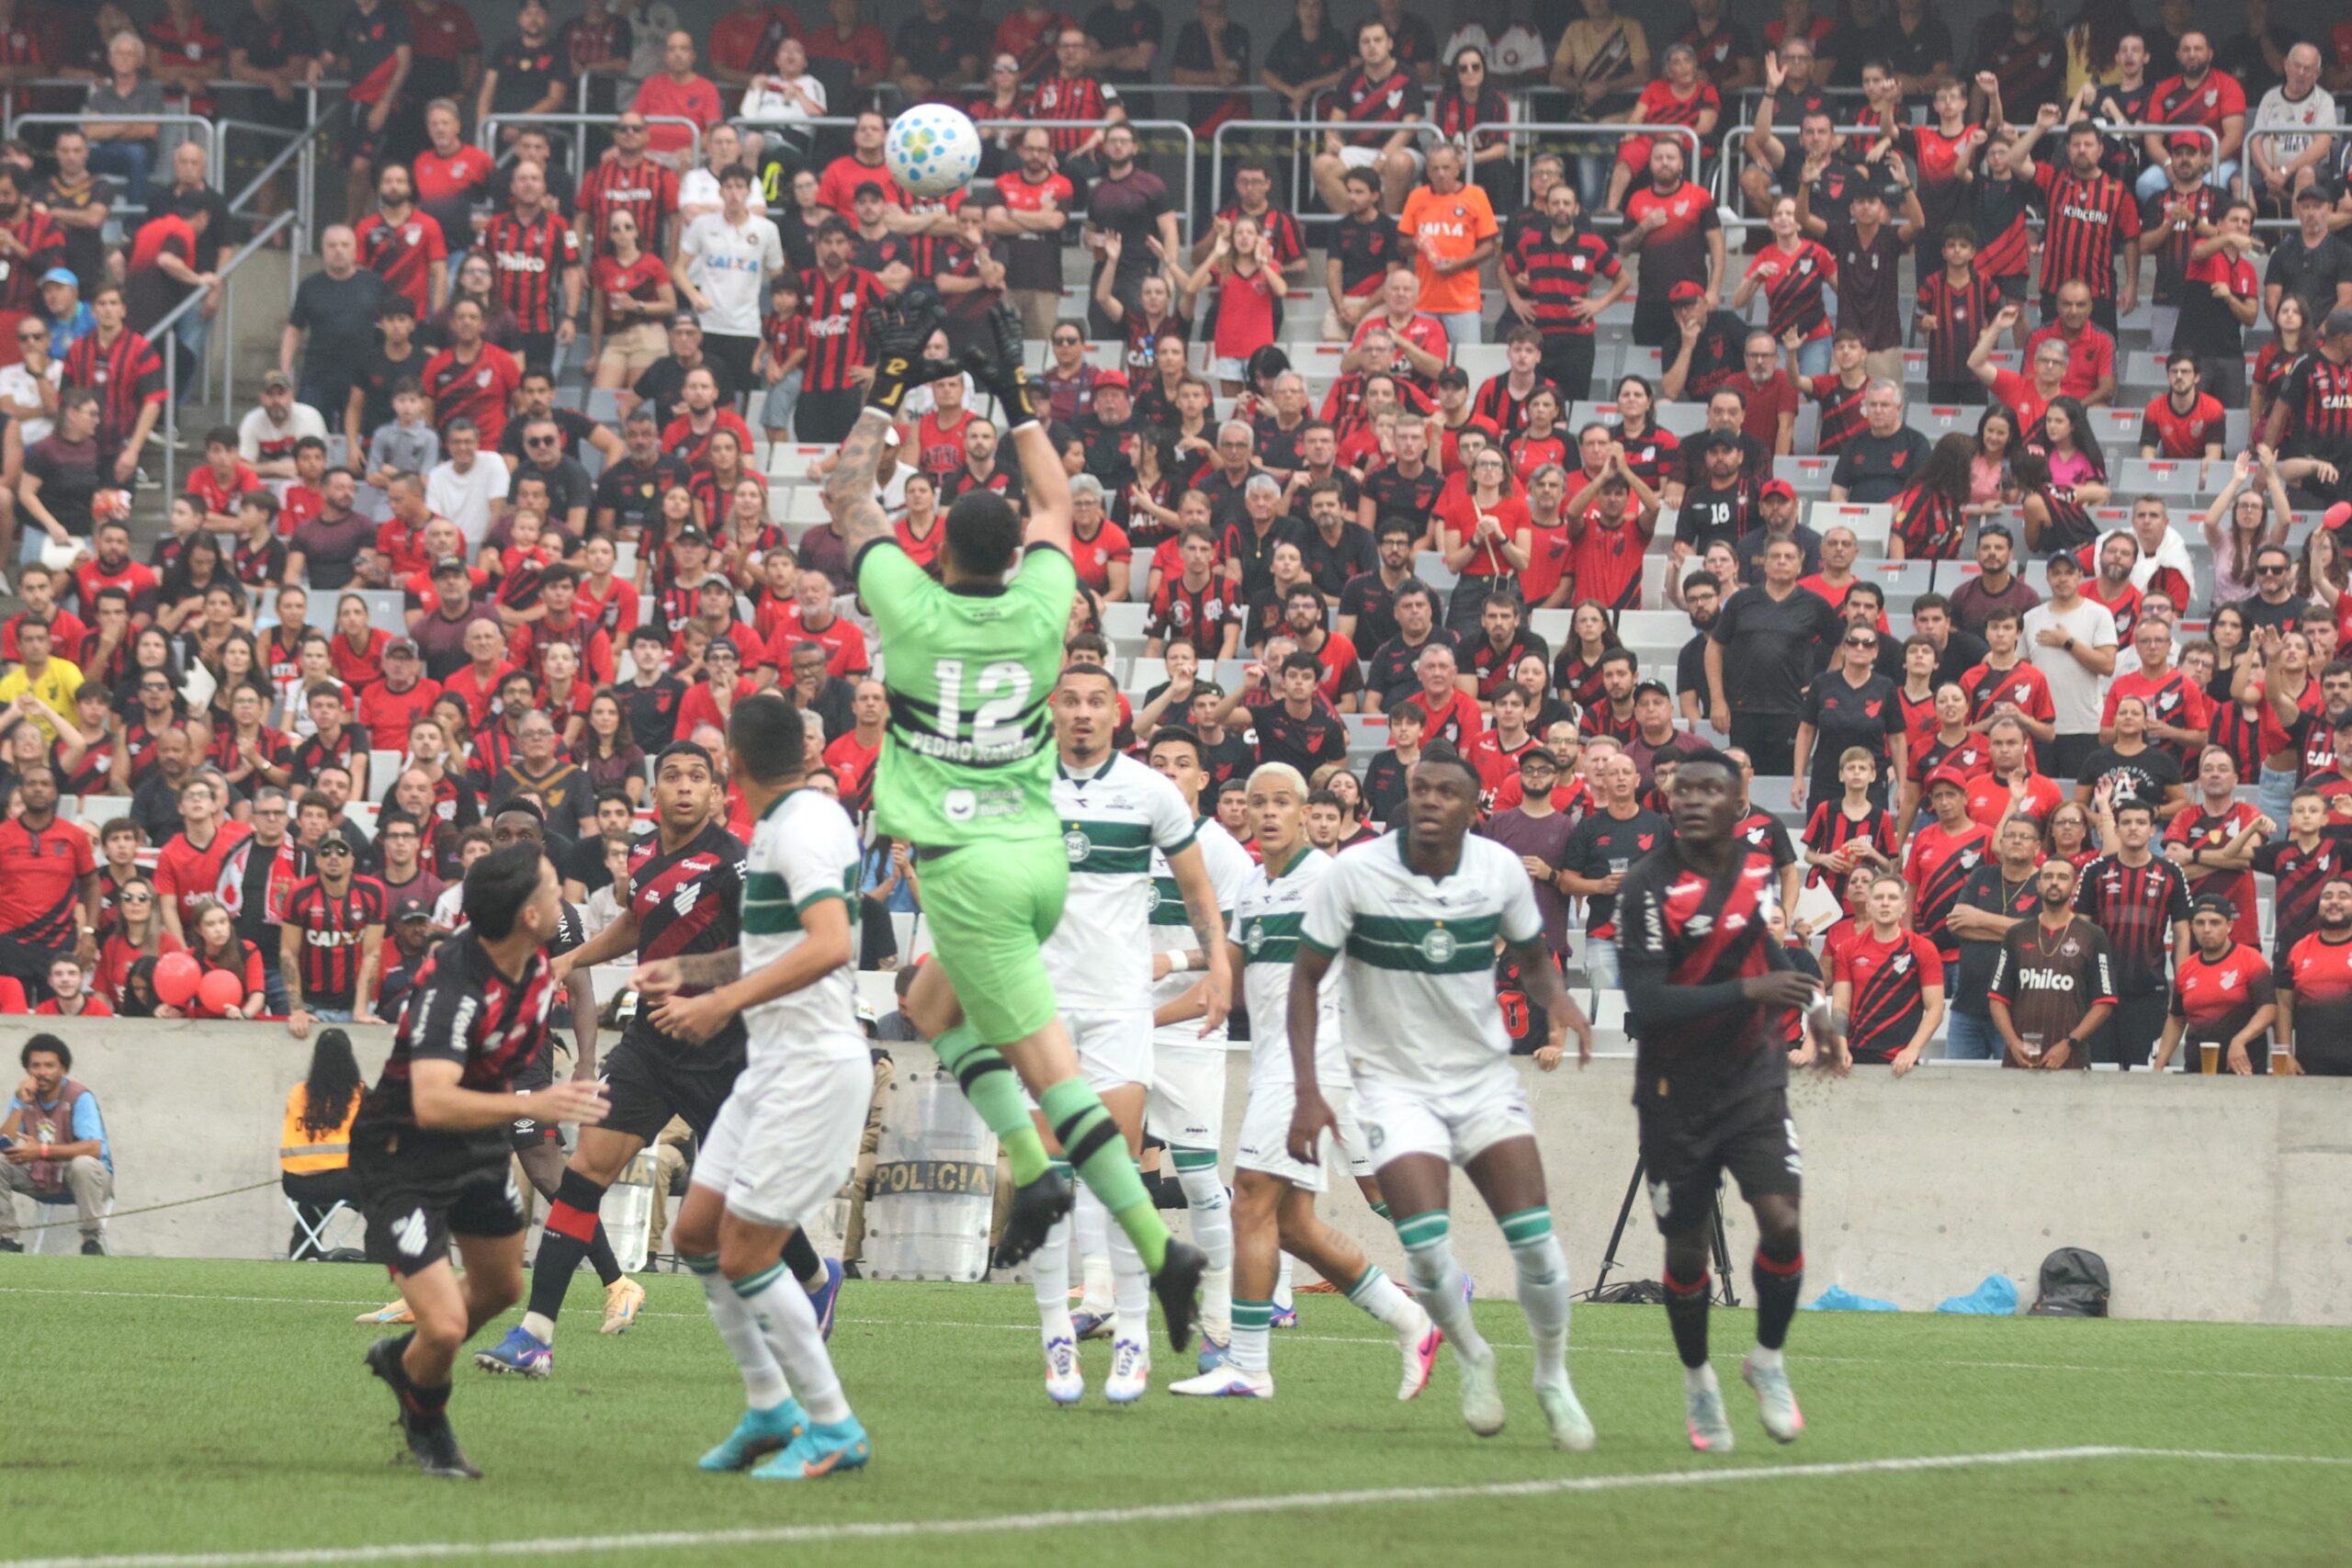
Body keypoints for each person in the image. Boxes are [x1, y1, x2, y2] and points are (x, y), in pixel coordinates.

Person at [830, 298, 1213, 1339]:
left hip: (969, 866)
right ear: (1012, 557)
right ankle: (1043, 1173)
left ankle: (1152, 1245)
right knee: (930, 1005)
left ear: (938, 551)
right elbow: (1055, 497)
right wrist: (1016, 397)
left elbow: (845, 493)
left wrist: (890, 387)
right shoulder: (1045, 604)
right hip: (1038, 856)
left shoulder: (908, 607)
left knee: (1048, 1075)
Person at [1277, 745, 1591, 1440]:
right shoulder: (1356, 871)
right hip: (1394, 1089)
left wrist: (1560, 1003)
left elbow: (1534, 958)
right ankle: (1473, 1355)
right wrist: (1307, 1087)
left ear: (1474, 807)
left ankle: (1552, 1375)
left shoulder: (1498, 869)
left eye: (1447, 791)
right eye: (1421, 787)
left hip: (1482, 1082)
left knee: (1536, 1246)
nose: (1429, 798)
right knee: (1423, 1249)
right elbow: (1305, 977)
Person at [484, 741, 814, 1375]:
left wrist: (705, 996)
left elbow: (766, 951)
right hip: (649, 1048)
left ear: (717, 793)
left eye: (698, 777)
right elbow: (637, 924)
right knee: (583, 1175)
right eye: (672, 776)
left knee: (746, 1194)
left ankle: (814, 1276)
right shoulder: (641, 854)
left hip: (721, 1052)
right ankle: (534, 1336)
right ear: (653, 791)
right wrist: (572, 958)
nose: (685, 786)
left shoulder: (735, 863)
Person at [1165, 760, 1440, 1401]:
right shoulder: (1254, 889)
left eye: (1281, 801)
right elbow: (1224, 982)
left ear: (1306, 813)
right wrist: (1138, 1017)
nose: (1267, 812)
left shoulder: (1332, 880)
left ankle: (1248, 1364)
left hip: (1316, 1067)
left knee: (1248, 1198)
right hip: (1273, 1068)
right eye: (1257, 801)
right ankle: (1414, 1322)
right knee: (1292, 1226)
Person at [351, 842, 608, 1478]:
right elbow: (432, 1100)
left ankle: (402, 1361)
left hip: (475, 1144)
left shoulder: (537, 965)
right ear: (528, 915)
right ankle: (428, 1425)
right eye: (552, 888)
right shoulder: (453, 984)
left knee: (501, 1287)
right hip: (402, 1155)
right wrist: (535, 1102)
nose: (564, 898)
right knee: (443, 1328)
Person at [1615, 747, 1840, 1451]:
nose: (1692, 798)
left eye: (1709, 789)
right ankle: (1698, 1380)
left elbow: (1771, 953)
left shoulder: (1755, 868)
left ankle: (1766, 1359)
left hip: (1753, 1079)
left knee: (1782, 1221)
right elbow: (1648, 1001)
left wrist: (1819, 1009)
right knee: (1686, 1252)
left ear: (1738, 800)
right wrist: (1751, 991)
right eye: (1682, 788)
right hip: (1673, 1091)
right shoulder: (1646, 885)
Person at [1987, 853, 2120, 1068]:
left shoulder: (2093, 935)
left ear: (2074, 887)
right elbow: (1997, 997)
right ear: (2038, 885)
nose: (2055, 882)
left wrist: (2069, 1043)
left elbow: (2105, 1001)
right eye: (2048, 876)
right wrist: (2013, 1043)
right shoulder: (2017, 934)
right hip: (2020, 1058)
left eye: (2062, 877)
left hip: (2071, 1058)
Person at [0, 1036, 112, 1256]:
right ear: (27, 1070)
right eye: (36, 1066)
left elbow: (94, 1148)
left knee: (83, 1164)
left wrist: (41, 1151)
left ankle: (91, 1241)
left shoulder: (79, 1097)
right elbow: (4, 1142)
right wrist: (20, 1104)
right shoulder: (23, 1097)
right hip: (41, 1176)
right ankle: (6, 1239)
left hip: (86, 1179)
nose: (42, 1072)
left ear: (63, 1069)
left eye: (50, 1066)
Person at [2154, 895, 2277, 1074]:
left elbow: (2269, 1009)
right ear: (2192, 927)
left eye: (2215, 923)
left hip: (2243, 1070)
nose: (2207, 929)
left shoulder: (2250, 959)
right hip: (2196, 1070)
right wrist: (2159, 1065)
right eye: (2200, 923)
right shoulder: (2187, 968)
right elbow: (2176, 1020)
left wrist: (2240, 1039)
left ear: (2229, 926)